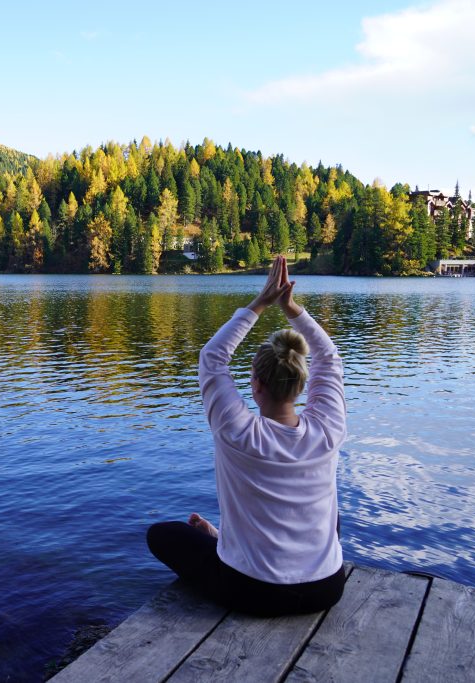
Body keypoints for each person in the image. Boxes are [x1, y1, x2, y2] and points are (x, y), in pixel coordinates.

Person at [146, 255, 346, 616]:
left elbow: (212, 358)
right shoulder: (328, 428)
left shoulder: (237, 431)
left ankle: (224, 545)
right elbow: (328, 357)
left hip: (255, 593)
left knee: (161, 535)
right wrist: (291, 309)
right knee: (329, 510)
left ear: (256, 385)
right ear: (302, 386)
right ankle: (227, 541)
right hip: (327, 587)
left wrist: (261, 302)